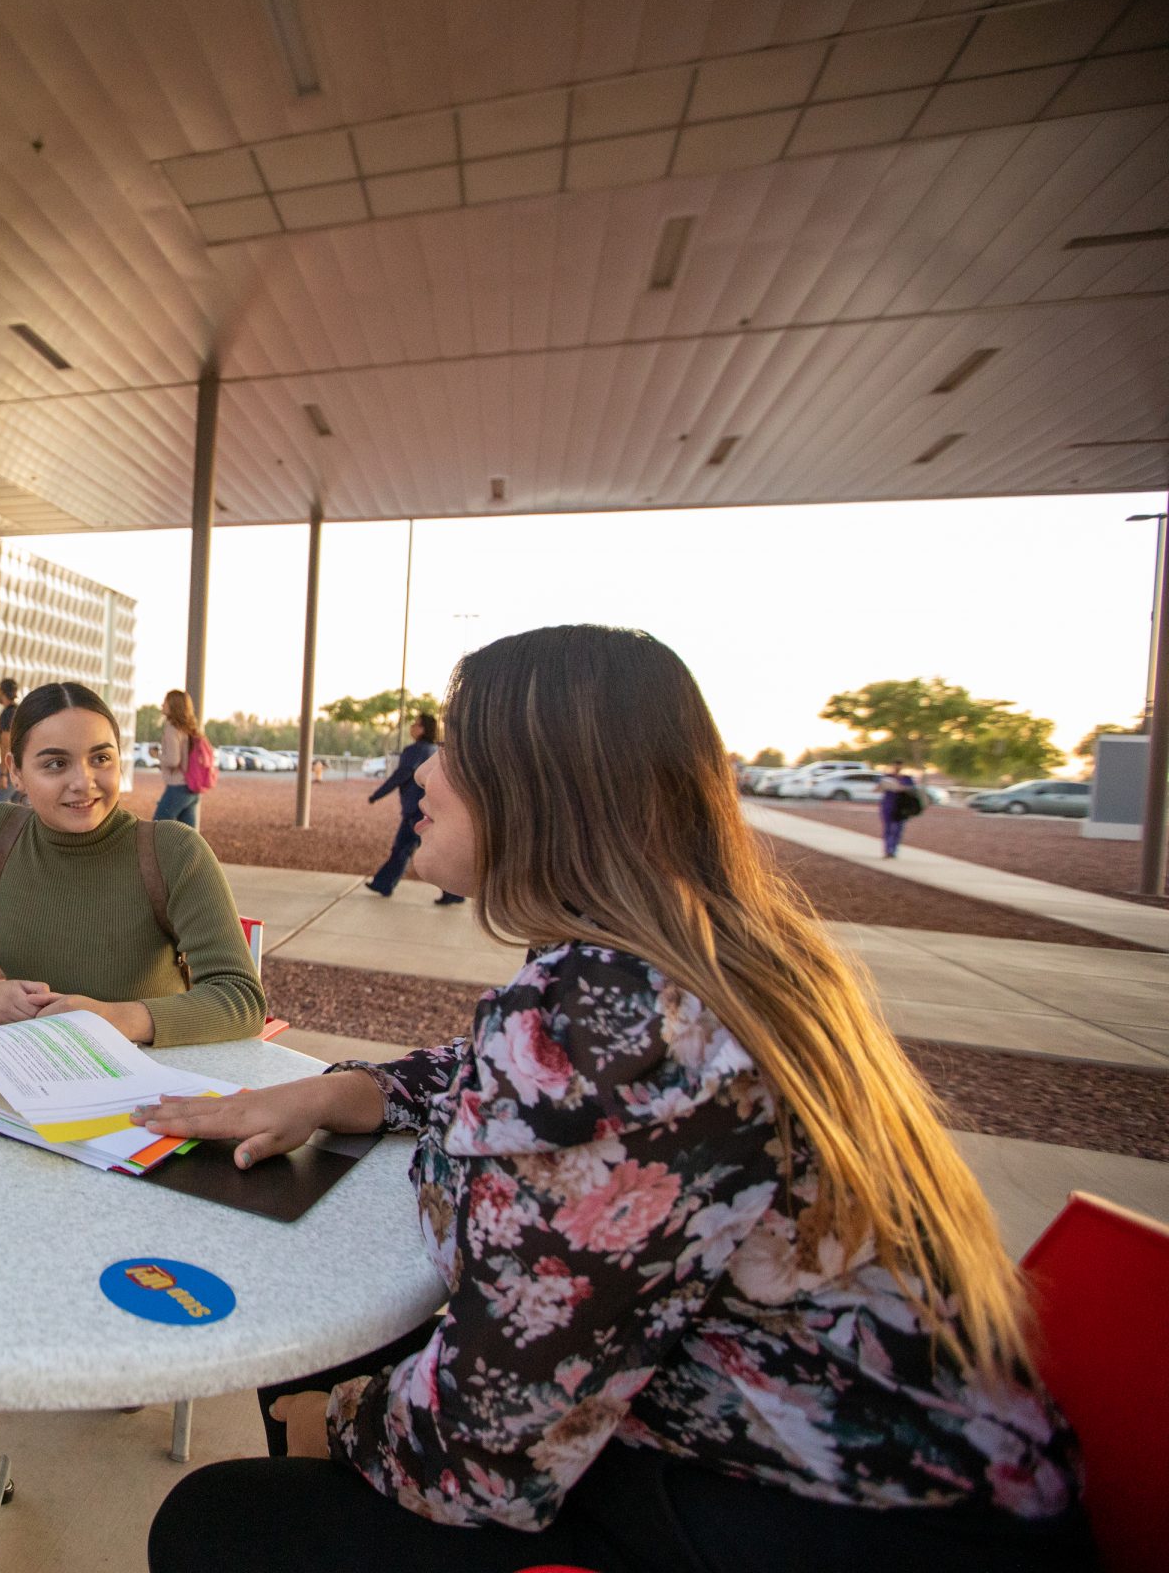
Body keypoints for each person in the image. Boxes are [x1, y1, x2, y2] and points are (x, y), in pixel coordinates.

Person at [138, 624, 1094, 1573]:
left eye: (457, 751)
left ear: (547, 788)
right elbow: (490, 1082)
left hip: (837, 1518)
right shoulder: (693, 955)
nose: (421, 773)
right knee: (339, 1344)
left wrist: (334, 1428)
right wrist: (342, 1091)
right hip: (917, 1475)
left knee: (224, 1522)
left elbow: (480, 1455)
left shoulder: (608, 1020)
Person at [0, 681, 264, 1047]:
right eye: (56, 764)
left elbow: (240, 997)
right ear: (15, 771)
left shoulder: (174, 851)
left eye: (100, 758)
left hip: (150, 1083)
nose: (83, 782)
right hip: (31, 1070)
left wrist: (117, 1018)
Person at [365, 711, 464, 905]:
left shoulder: (414, 751)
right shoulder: (436, 750)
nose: (412, 727)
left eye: (416, 724)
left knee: (407, 848)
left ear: (424, 729)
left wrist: (376, 795)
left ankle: (453, 891)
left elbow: (401, 775)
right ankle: (384, 883)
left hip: (416, 811)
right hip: (428, 809)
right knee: (408, 848)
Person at [154, 688, 204, 828]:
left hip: (177, 787)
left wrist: (157, 755)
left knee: (157, 829)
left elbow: (173, 760)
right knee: (189, 838)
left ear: (173, 705)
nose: (162, 705)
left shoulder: (172, 729)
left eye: (165, 702)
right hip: (191, 788)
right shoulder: (189, 729)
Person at [879, 759, 922, 858]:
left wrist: (903, 788)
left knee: (898, 829)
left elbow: (913, 789)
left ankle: (893, 850)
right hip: (888, 804)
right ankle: (888, 850)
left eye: (899, 765)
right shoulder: (887, 777)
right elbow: (879, 788)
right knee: (888, 828)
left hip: (901, 806)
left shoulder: (907, 778)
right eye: (896, 765)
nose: (897, 767)